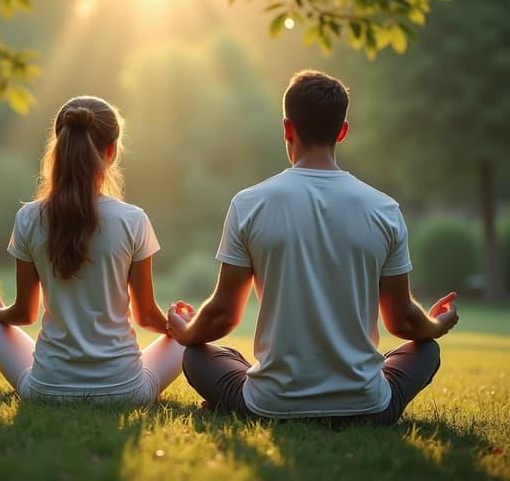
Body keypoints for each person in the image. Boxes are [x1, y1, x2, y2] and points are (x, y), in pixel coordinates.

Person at [167, 69, 459, 425]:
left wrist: (185, 332)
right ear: (342, 131)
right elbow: (402, 320)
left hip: (270, 406)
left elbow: (224, 315)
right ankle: (359, 399)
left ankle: (245, 396)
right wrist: (436, 324)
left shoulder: (249, 204)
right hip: (368, 408)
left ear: (287, 128)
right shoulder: (384, 209)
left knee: (198, 356)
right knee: (426, 350)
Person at [0, 95, 187, 403]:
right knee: (188, 340)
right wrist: (180, 325)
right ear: (112, 151)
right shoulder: (133, 219)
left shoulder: (28, 217)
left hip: (45, 390)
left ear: (59, 146)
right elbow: (145, 317)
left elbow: (24, 313)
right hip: (126, 391)